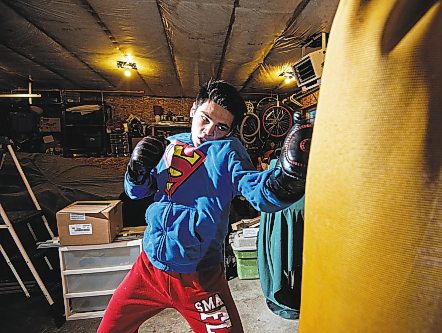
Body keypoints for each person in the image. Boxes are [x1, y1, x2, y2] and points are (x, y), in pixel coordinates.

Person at [97, 79, 313, 333]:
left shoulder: (228, 153)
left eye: (221, 126)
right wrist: (136, 171)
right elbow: (137, 193)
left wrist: (285, 182)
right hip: (149, 268)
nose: (210, 130)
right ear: (193, 109)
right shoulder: (169, 145)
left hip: (199, 278)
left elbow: (257, 191)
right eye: (205, 118)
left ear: (230, 130)